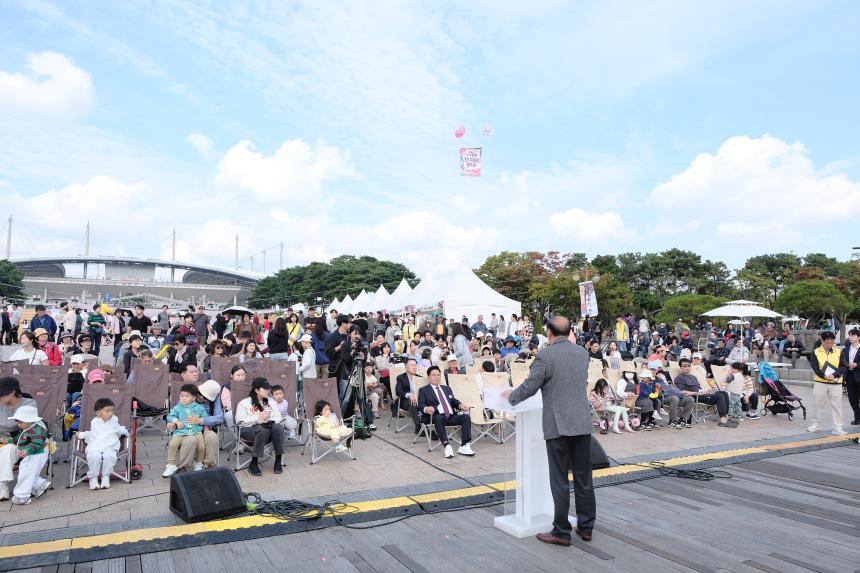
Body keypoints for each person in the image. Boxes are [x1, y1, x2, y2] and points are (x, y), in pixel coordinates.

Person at [501, 316, 595, 546]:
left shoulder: (545, 355)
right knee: (584, 478)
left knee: (559, 480)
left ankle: (561, 532)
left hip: (558, 425)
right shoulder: (583, 353)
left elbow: (531, 386)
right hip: (582, 422)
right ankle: (586, 527)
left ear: (549, 334)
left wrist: (511, 396)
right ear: (570, 331)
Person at [417, 366, 474, 458]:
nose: (436, 377)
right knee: (438, 417)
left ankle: (464, 445)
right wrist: (426, 409)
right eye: (433, 375)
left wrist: (460, 405)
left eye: (438, 375)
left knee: (465, 417)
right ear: (428, 377)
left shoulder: (446, 388)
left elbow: (453, 400)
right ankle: (446, 445)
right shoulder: (424, 390)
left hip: (451, 416)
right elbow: (421, 405)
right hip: (436, 416)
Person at [236, 377, 284, 476]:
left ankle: (278, 460)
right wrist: (257, 419)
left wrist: (269, 419)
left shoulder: (270, 401)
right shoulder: (244, 403)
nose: (268, 391)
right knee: (262, 430)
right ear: (257, 390)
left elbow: (279, 417)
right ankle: (254, 462)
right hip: (248, 430)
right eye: (265, 388)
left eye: (269, 388)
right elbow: (239, 421)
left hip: (267, 429)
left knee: (277, 427)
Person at [77, 397, 129, 490]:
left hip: (110, 445)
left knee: (109, 456)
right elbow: (92, 434)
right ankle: (93, 478)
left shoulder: (114, 420)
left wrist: (126, 432)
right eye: (107, 411)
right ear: (98, 413)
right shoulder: (94, 422)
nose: (110, 413)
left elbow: (118, 429)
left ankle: (106, 476)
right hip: (96, 444)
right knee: (94, 456)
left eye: (112, 410)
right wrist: (82, 434)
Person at [4, 405, 50, 505]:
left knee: (27, 471)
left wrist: (27, 451)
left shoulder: (37, 429)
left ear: (29, 420)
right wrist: (8, 440)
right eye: (17, 421)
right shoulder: (27, 428)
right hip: (31, 453)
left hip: (37, 453)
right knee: (27, 471)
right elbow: (18, 439)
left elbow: (37, 443)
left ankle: (22, 496)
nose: (18, 424)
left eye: (20, 422)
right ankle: (39, 484)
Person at [674, 358, 736, 427]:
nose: (687, 368)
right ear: (681, 367)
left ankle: (726, 416)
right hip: (695, 396)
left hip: (701, 394)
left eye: (688, 366)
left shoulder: (693, 377)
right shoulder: (679, 378)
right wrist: (696, 393)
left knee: (724, 393)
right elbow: (681, 392)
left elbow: (698, 388)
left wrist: (704, 390)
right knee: (719, 396)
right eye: (684, 366)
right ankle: (723, 420)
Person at [162, 383, 207, 477]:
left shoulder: (199, 408)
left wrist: (200, 421)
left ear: (194, 398)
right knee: (172, 444)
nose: (183, 398)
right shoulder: (178, 407)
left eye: (186, 396)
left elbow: (204, 419)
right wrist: (176, 421)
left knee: (202, 447)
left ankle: (198, 463)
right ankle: (170, 465)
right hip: (180, 431)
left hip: (196, 431)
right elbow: (170, 416)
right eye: (181, 396)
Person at [807, 331, 845, 435]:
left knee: (837, 405)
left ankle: (837, 427)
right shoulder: (815, 352)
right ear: (821, 340)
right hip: (820, 382)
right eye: (827, 342)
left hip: (836, 382)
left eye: (831, 341)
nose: (829, 344)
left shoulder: (839, 351)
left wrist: (834, 375)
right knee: (818, 404)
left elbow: (843, 366)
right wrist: (823, 376)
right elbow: (815, 367)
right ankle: (816, 424)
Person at [395, 358, 425, 434]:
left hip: (419, 401)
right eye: (411, 365)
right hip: (405, 402)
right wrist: (409, 395)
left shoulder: (420, 378)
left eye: (415, 365)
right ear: (406, 366)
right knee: (412, 402)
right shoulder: (401, 377)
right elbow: (398, 391)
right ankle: (418, 426)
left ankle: (427, 426)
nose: (414, 367)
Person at [840, 328, 860, 426]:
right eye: (850, 335)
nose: (850, 337)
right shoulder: (845, 349)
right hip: (849, 376)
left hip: (859, 374)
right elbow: (842, 362)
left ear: (858, 337)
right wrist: (846, 364)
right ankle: (857, 418)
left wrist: (857, 365)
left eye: (853, 335)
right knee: (852, 399)